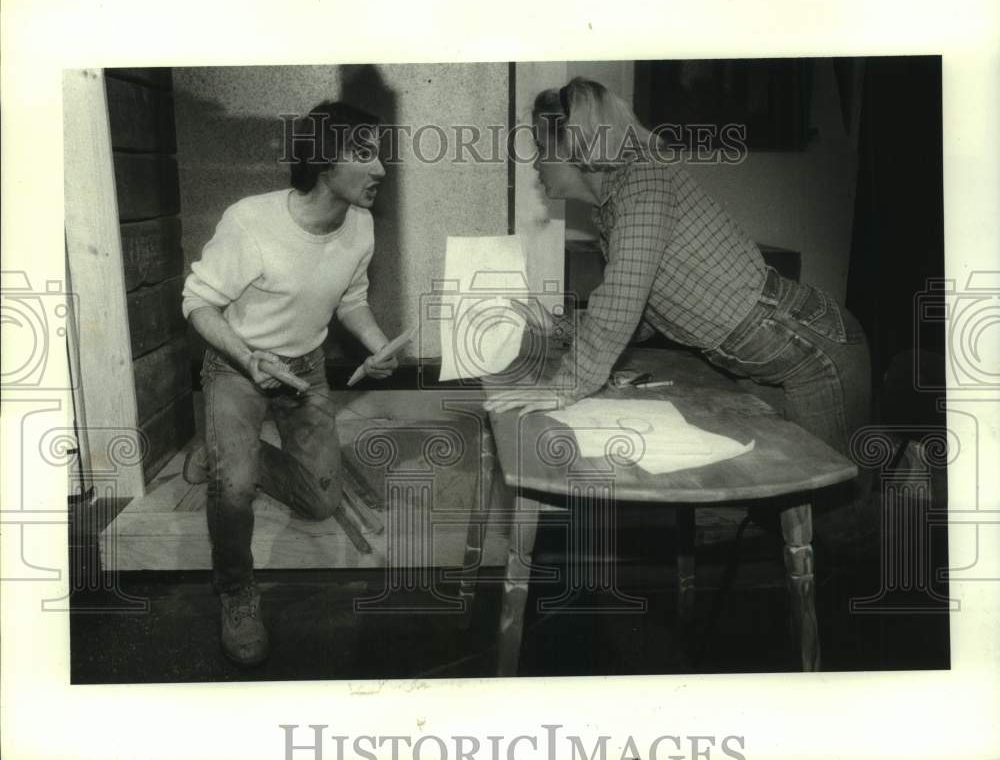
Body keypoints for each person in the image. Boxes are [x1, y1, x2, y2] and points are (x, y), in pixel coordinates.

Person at [485, 77, 873, 551]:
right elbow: (644, 314)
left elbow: (623, 300)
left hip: (814, 351)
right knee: (778, 514)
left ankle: (923, 483)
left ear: (573, 144)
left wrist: (561, 386)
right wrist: (565, 327)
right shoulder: (615, 209)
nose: (537, 164)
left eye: (541, 149)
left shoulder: (643, 178)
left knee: (839, 527)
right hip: (767, 359)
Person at [181, 101, 397, 666]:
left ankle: (224, 451)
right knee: (232, 491)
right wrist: (246, 356)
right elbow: (198, 303)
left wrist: (381, 348)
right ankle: (236, 594)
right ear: (324, 162)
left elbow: (351, 301)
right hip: (237, 365)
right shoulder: (251, 222)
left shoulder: (363, 226)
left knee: (321, 501)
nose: (381, 170)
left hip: (305, 371)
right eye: (366, 156)